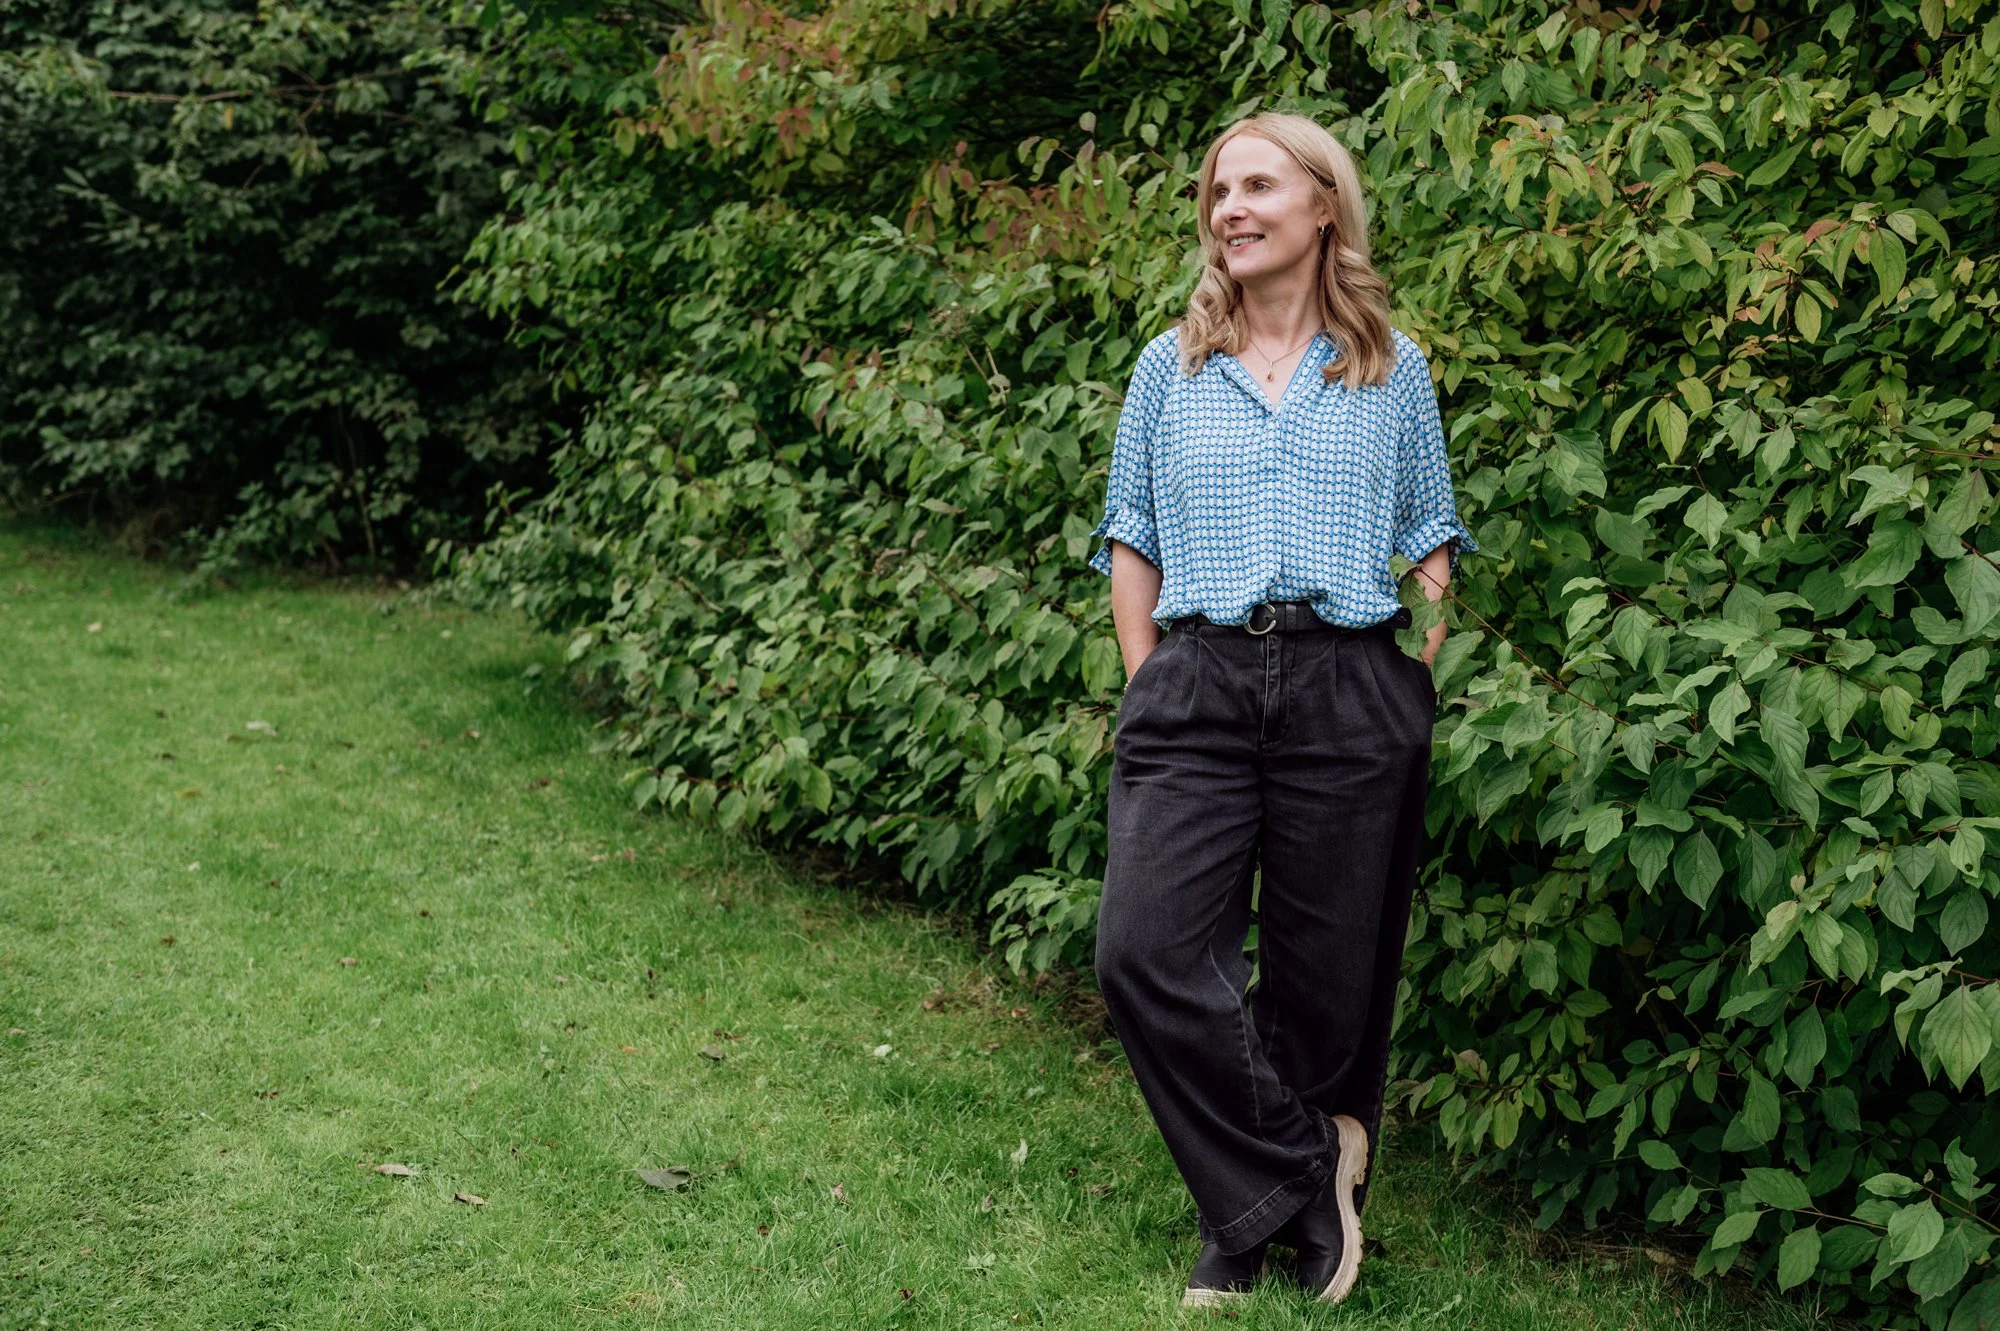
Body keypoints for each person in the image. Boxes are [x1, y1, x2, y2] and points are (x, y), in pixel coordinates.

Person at [1086, 110, 1476, 1308]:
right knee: (1144, 952)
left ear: (1321, 208)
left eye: (1256, 186)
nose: (1228, 209)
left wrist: (1415, 655)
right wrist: (1148, 669)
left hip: (1345, 680)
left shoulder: (1390, 367)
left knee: (1322, 972)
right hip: (1197, 676)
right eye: (1216, 191)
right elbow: (1130, 534)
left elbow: (1428, 533)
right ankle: (1306, 1174)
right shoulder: (1171, 365)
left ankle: (1237, 1228)